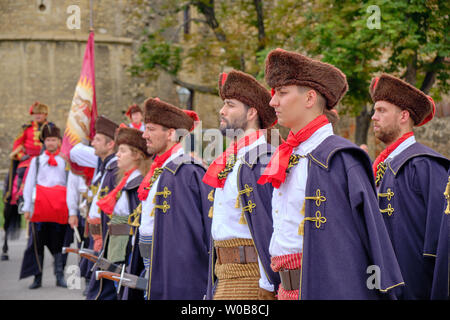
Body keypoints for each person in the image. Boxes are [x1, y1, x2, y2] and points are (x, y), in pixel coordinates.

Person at [257, 48, 404, 299]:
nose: (273, 102)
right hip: (285, 291)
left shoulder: (341, 158)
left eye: (282, 93)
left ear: (309, 98)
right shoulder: (287, 156)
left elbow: (372, 238)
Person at [369, 74, 450, 299]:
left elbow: (440, 244)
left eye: (382, 111)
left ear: (404, 116)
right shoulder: (381, 167)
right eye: (374, 111)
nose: (374, 117)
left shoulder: (425, 165)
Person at [203, 70, 280, 300]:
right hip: (223, 275)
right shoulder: (232, 158)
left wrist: (268, 283)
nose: (222, 111)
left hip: (251, 278)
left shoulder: (264, 158)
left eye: (230, 105)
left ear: (251, 112)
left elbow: (270, 225)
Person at [138, 97, 212, 299]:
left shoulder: (185, 169)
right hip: (155, 262)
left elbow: (191, 235)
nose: (144, 135)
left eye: (151, 129)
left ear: (171, 133)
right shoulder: (162, 167)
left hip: (175, 270)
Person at [96, 125, 151, 300]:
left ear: (136, 155)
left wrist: (123, 261)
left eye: (122, 151)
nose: (117, 154)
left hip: (126, 253)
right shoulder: (125, 181)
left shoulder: (137, 184)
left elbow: (134, 226)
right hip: (117, 251)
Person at [69, 115, 119, 300]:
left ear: (110, 145)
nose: (93, 143)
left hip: (107, 240)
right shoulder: (104, 168)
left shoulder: (114, 170)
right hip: (97, 237)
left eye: (97, 139)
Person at [19, 124, 69, 289]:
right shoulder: (37, 161)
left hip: (59, 209)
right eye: (47, 140)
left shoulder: (65, 161)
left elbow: (70, 184)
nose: (50, 143)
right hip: (40, 209)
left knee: (58, 243)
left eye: (53, 139)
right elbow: (29, 184)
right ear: (44, 142)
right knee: (37, 244)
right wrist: (27, 207)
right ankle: (37, 277)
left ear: (59, 141)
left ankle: (59, 275)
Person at [2, 102, 52, 261]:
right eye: (35, 114)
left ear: (45, 115)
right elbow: (17, 146)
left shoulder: (51, 128)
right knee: (21, 172)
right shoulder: (26, 129)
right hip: (27, 160)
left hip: (45, 160)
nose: (38, 116)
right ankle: (18, 198)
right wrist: (20, 155)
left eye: (40, 113)